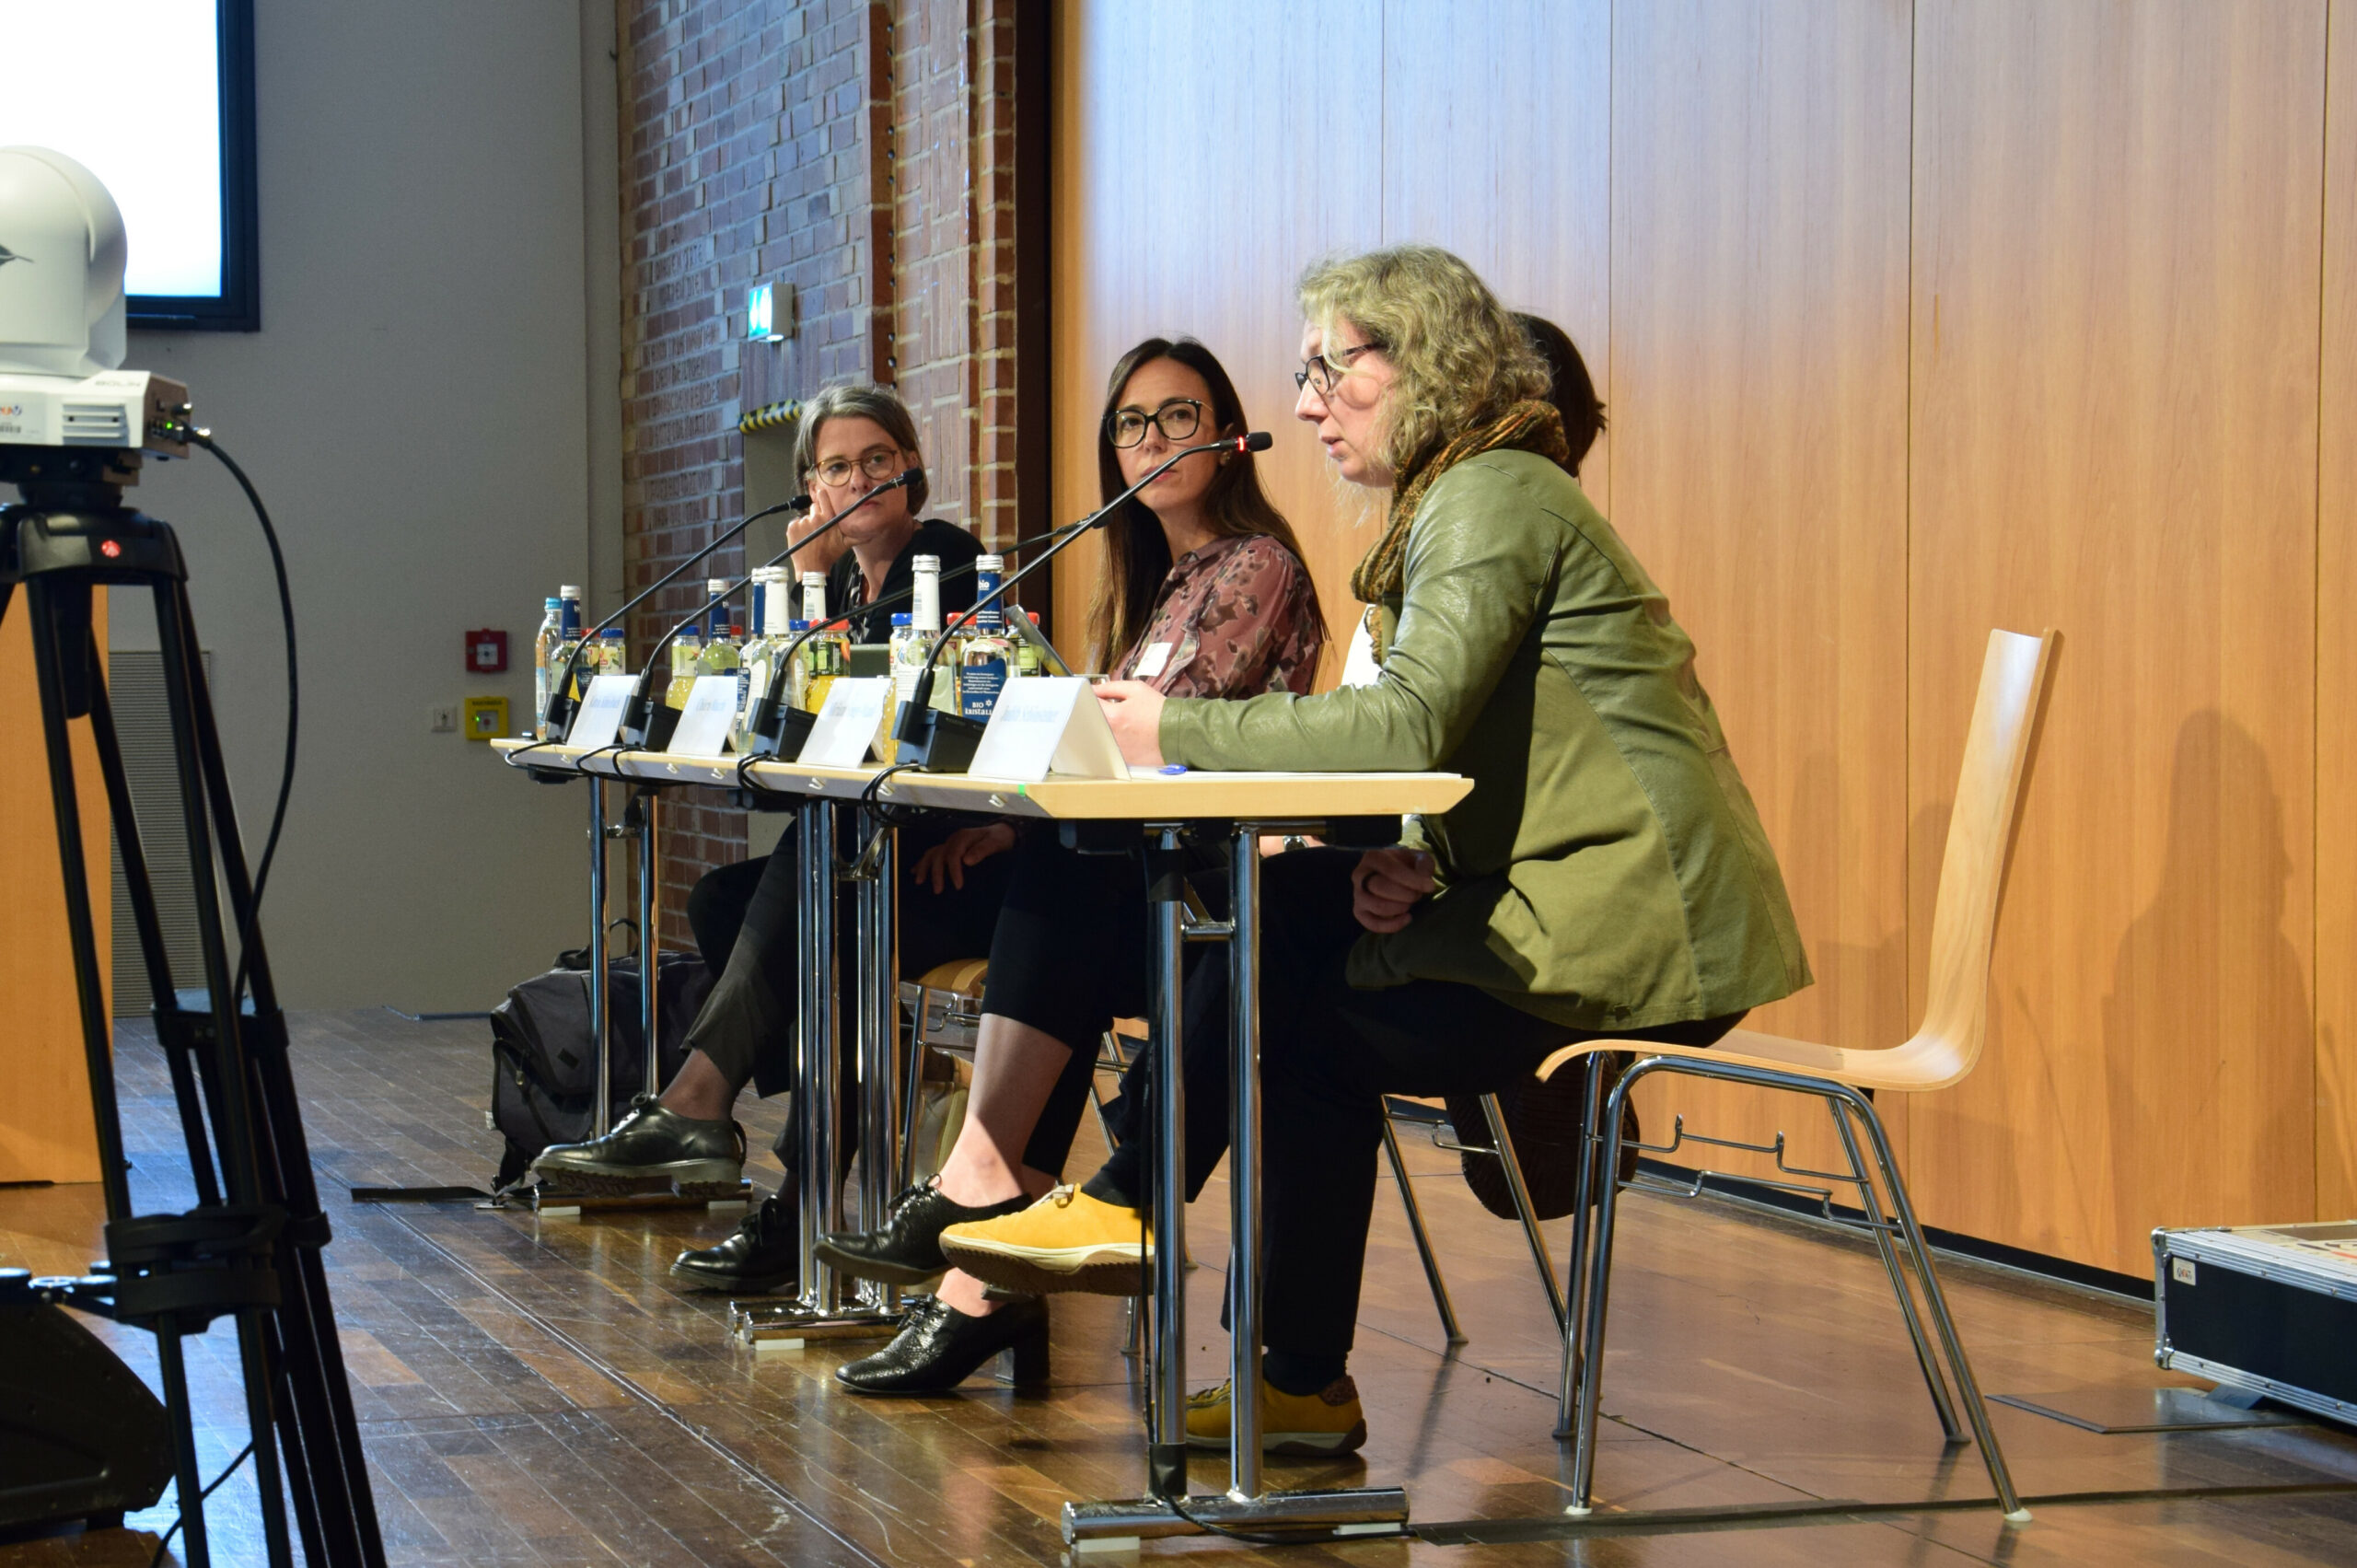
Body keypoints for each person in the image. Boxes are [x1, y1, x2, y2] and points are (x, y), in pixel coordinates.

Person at [937, 246, 1810, 1455]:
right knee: (1295, 930)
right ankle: (1285, 1371)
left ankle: (1148, 1212)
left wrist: (1167, 726)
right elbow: (1494, 750)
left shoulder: (1499, 490)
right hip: (1549, 898)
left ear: (1430, 362)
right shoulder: (1458, 501)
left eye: (1330, 369)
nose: (1303, 404)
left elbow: (1407, 721)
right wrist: (1413, 858)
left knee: (1287, 969)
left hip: (1643, 927)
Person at [814, 336, 1326, 1395]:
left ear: (1228, 438)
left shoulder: (1257, 566)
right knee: (1049, 875)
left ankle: (974, 1201)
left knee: (1069, 886)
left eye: (1178, 417)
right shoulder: (1156, 582)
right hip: (1152, 892)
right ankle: (980, 1259)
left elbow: (1174, 733)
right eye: (1132, 424)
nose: (1152, 441)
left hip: (1233, 914)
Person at [531, 384, 1028, 1293]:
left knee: (816, 887)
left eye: (878, 458)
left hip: (958, 861)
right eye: (838, 466)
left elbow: (887, 713)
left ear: (911, 465)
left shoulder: (943, 560)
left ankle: (716, 1118)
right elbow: (797, 728)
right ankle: (799, 1174)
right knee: (734, 900)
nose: (862, 479)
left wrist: (997, 825)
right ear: (812, 485)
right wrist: (804, 581)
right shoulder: (838, 578)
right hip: (875, 856)